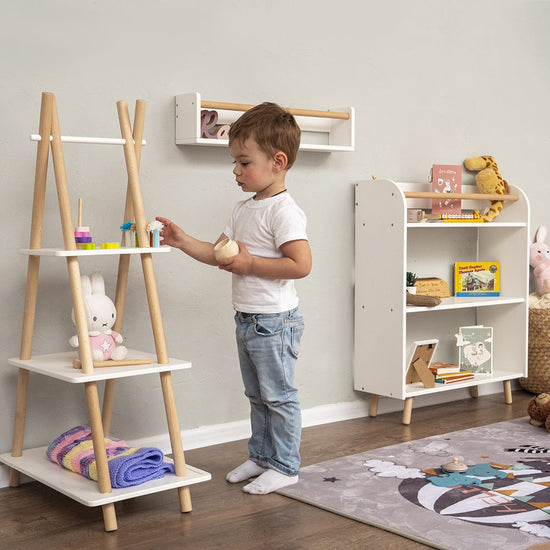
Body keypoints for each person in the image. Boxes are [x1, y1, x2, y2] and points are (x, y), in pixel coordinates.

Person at [157, 102, 312, 494]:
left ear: (278, 162)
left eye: (244, 162)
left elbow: (300, 265)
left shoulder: (284, 212)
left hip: (274, 322)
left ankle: (285, 465)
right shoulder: (244, 209)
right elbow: (219, 253)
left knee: (279, 397)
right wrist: (182, 240)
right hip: (247, 319)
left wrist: (250, 264)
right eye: (234, 162)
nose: (236, 171)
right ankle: (262, 457)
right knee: (257, 395)